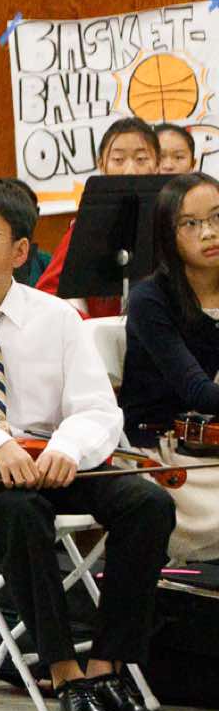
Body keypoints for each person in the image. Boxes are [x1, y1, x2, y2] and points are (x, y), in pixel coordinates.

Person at [0, 177, 177, 711]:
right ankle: (66, 677)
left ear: (20, 250)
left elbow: (98, 408)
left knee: (147, 503)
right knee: (21, 512)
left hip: (51, 458)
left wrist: (66, 449)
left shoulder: (57, 318)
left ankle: (108, 669)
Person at [120, 170, 219, 562]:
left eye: (217, 217)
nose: (209, 232)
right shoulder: (150, 299)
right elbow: (199, 393)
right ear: (168, 235)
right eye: (190, 224)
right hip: (166, 457)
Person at [36, 116, 160, 312]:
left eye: (141, 159)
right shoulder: (88, 224)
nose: (130, 170)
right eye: (118, 160)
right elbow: (47, 293)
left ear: (157, 165)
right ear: (102, 165)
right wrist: (88, 326)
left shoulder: (174, 220)